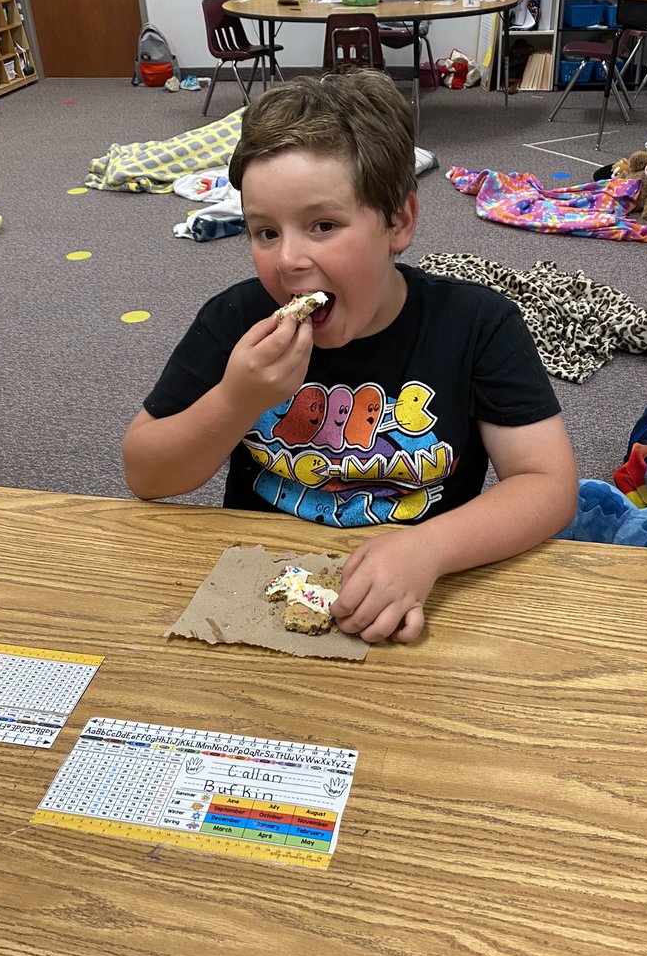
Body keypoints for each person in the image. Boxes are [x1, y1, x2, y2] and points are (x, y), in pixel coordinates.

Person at [123, 70, 577, 643]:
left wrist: (430, 548)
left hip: (418, 586)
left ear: (399, 221)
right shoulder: (234, 322)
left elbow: (549, 485)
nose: (288, 259)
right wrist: (239, 398)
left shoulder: (476, 325)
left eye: (323, 225)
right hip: (262, 582)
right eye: (264, 232)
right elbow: (146, 474)